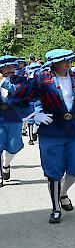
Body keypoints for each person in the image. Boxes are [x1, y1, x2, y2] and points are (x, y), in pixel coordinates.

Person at [8, 49, 75, 224]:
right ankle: (56, 207)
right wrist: (32, 116)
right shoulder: (41, 79)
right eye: (64, 61)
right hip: (52, 130)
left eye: (70, 60)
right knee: (53, 172)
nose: (68, 64)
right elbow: (17, 99)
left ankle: (63, 192)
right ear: (54, 63)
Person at [0, 56, 28, 187]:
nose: (11, 69)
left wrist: (3, 82)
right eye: (7, 67)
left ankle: (6, 164)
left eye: (13, 66)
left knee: (14, 146)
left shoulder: (20, 80)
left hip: (14, 116)